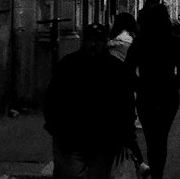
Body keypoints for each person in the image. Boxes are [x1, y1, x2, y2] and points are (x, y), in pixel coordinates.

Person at [43, 23, 138, 179]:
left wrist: (126, 134)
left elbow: (125, 104)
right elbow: (53, 96)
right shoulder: (69, 64)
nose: (93, 45)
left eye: (98, 40)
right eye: (90, 40)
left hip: (102, 140)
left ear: (105, 42)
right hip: (72, 137)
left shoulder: (115, 69)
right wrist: (54, 125)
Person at [126, 0, 180, 179]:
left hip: (147, 94)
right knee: (161, 138)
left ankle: (155, 170)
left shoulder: (141, 41)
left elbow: (128, 69)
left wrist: (139, 86)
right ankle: (158, 173)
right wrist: (173, 85)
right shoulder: (172, 40)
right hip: (168, 95)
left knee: (151, 136)